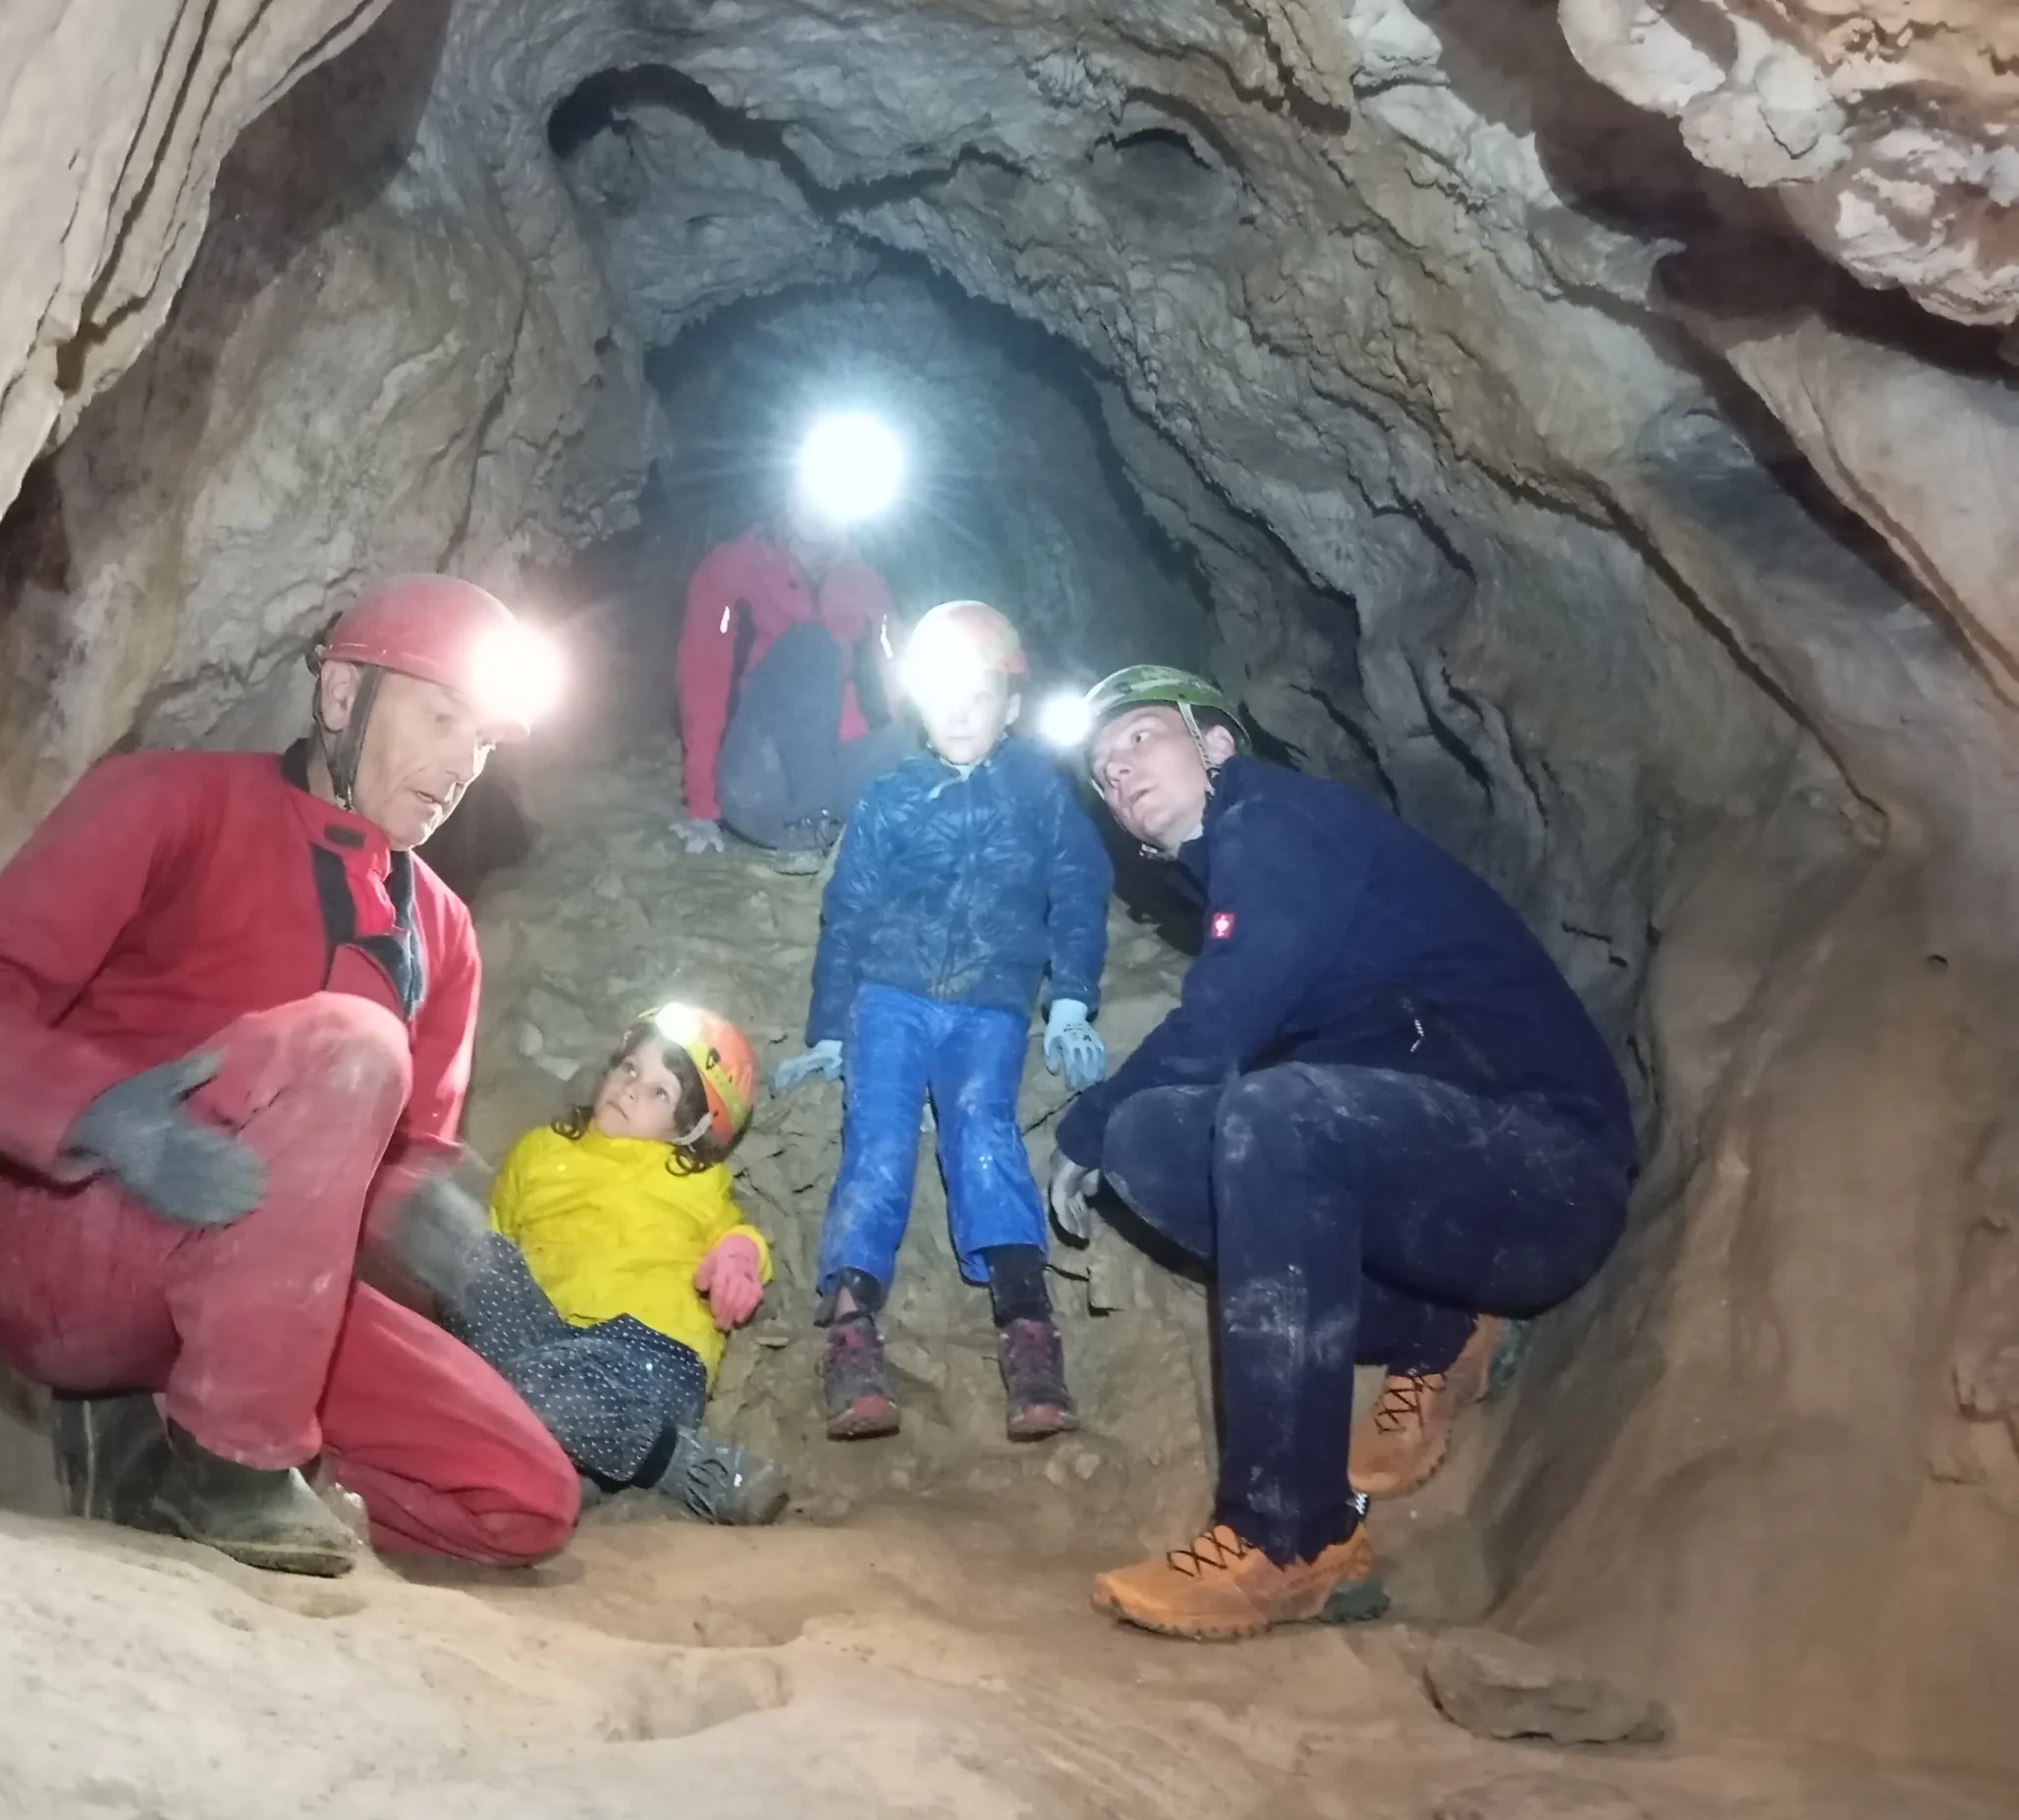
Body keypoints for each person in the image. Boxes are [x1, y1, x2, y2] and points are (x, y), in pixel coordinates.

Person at [0, 575, 581, 1579]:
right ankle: (230, 1465)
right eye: (440, 717)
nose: (461, 762)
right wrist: (95, 1113)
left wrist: (426, 1205)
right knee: (353, 1042)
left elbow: (396, 1150)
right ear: (342, 697)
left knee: (522, 1496)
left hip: (265, 1296)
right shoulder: (173, 802)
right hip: (76, 1238)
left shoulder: (443, 933)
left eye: (482, 741)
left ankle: (182, 1448)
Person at [1052, 665, 1637, 1639]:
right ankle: (1437, 1332)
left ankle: (1290, 1537)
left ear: (1217, 744)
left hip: (1546, 1166)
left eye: (1140, 739)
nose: (1119, 774)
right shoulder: (1246, 872)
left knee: (1272, 1116)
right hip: (1444, 1172)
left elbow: (1222, 1016)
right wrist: (1106, 1128)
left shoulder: (1279, 823)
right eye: (1104, 774)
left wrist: (1076, 1121)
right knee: (1148, 1141)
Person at [775, 602, 1115, 1441]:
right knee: (878, 1139)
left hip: (988, 1003)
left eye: (980, 693)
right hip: (888, 996)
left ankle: (1028, 1330)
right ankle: (852, 1334)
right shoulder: (891, 797)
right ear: (918, 702)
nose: (960, 710)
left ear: (1011, 706)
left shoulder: (1040, 794)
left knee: (984, 1131)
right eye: (944, 693)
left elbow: (1079, 885)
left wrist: (1070, 993)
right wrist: (828, 1028)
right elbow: (846, 911)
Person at [387, 1007, 791, 1526]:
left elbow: (737, 1231)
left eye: (659, 1092)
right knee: (446, 1225)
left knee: (539, 1385)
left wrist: (738, 1257)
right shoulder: (538, 1151)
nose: (630, 1089)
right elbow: (494, 1247)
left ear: (691, 1130)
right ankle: (568, 1467)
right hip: (541, 1342)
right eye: (629, 1069)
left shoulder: (691, 1178)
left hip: (648, 1356)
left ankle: (696, 1469)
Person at [671, 508, 911, 862]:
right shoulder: (735, 567)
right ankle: (809, 826)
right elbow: (704, 678)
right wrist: (703, 803)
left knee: (909, 736)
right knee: (810, 647)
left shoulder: (867, 582)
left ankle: (841, 824)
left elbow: (894, 686)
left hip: (836, 786)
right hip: (759, 787)